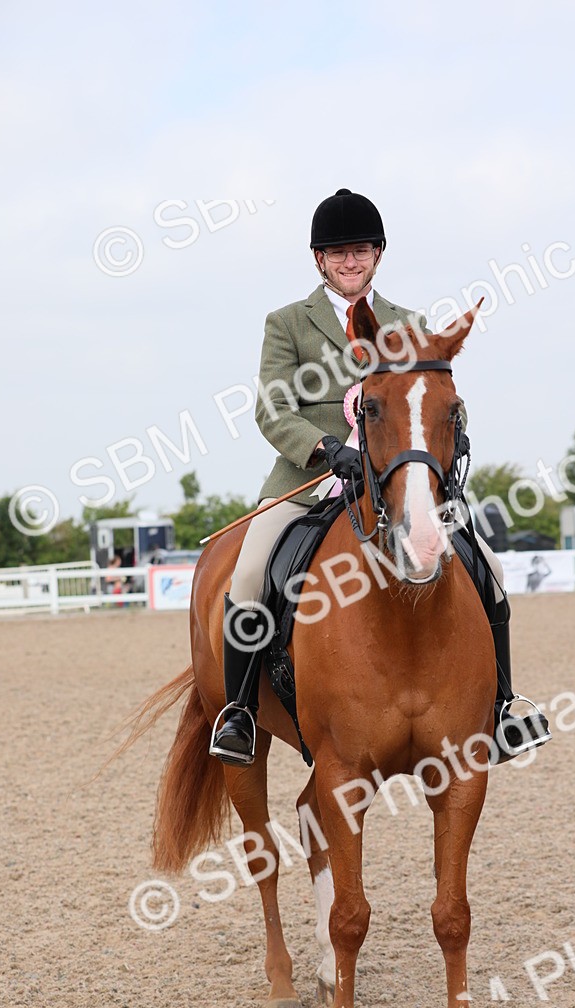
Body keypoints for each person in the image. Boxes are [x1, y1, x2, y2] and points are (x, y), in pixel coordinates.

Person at [210, 188, 542, 767]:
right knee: (250, 574)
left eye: (360, 249)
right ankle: (239, 710)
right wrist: (325, 448)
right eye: (338, 252)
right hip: (310, 479)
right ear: (319, 259)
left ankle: (503, 706)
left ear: (378, 253)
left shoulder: (408, 323)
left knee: (485, 563)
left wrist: (453, 433)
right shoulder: (288, 323)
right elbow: (272, 408)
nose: (350, 261)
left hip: (398, 482)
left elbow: (435, 397)